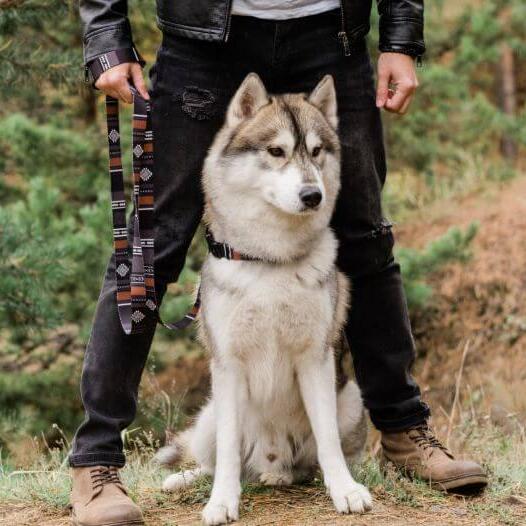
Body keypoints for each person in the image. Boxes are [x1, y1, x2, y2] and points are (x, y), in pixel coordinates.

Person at [70, 1, 487, 524]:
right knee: (150, 246)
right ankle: (97, 460)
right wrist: (106, 36)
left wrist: (401, 39)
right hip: (205, 38)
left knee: (366, 237)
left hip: (330, 31)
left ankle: (404, 433)